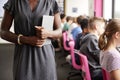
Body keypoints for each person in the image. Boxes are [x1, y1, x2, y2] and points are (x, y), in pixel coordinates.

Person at [0, 0, 62, 80]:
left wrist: (48, 33)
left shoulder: (51, 2)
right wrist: (25, 39)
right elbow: (3, 32)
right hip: (23, 56)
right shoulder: (14, 2)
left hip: (45, 56)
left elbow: (59, 32)